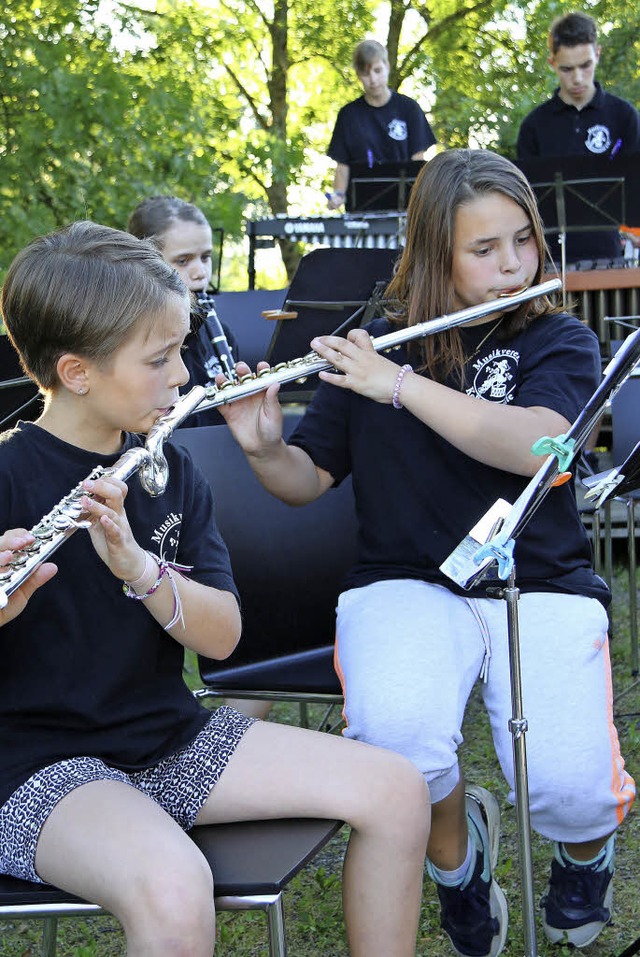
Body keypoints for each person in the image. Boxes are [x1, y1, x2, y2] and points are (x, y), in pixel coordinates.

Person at [218, 149, 636, 957]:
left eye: (523, 240)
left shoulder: (559, 337)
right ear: (434, 253)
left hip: (538, 581)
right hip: (404, 582)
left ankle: (586, 855)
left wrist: (399, 387)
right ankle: (458, 861)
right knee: (401, 745)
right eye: (485, 250)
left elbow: (540, 446)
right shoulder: (375, 342)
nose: (514, 265)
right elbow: (307, 480)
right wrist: (265, 448)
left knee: (570, 789)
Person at [0, 221, 430, 957]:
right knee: (174, 888)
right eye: (160, 358)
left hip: (167, 739)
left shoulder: (169, 470)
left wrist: (142, 570)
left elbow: (224, 637)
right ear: (77, 372)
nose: (181, 377)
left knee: (397, 789)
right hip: (35, 765)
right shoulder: (9, 476)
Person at [516, 11, 640, 263]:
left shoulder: (623, 116)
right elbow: (523, 201)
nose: (578, 78)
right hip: (548, 258)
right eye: (567, 69)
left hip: (609, 254)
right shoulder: (533, 126)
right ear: (552, 63)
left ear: (597, 54)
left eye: (585, 66)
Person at [128, 195, 238, 427]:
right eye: (183, 261)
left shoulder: (221, 335)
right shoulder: (134, 343)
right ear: (147, 264)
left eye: (205, 257)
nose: (200, 272)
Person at [326, 39, 436, 210]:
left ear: (387, 66)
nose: (373, 79)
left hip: (404, 210)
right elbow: (342, 166)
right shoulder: (348, 115)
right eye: (365, 74)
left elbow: (417, 162)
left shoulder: (409, 109)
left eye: (377, 71)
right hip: (361, 210)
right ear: (358, 75)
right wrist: (338, 195)